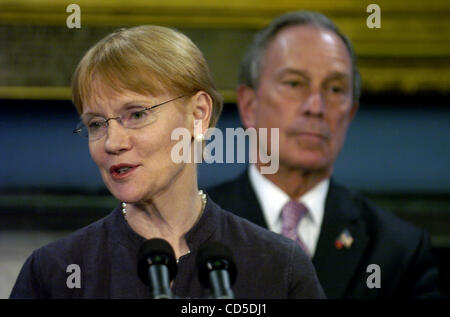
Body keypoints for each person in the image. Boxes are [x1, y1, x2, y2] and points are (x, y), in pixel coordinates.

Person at [9, 25, 325, 299]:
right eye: (95, 124)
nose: (113, 142)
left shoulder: (278, 267)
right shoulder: (53, 273)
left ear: (198, 114)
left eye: (136, 114)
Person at [208, 11, 442, 298]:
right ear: (248, 105)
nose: (316, 106)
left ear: (350, 114)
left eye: (335, 89)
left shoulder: (398, 251)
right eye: (294, 83)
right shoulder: (190, 229)